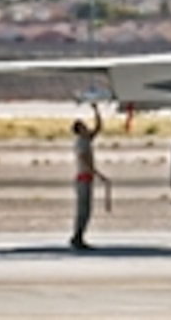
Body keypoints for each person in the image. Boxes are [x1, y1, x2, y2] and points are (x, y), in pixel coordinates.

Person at [70, 103, 109, 250]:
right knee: (83, 210)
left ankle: (79, 236)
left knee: (86, 209)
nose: (86, 127)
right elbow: (84, 160)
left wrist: (96, 110)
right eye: (83, 126)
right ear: (79, 130)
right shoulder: (81, 142)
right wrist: (98, 174)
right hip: (83, 178)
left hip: (87, 178)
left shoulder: (86, 139)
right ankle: (77, 237)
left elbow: (98, 127)